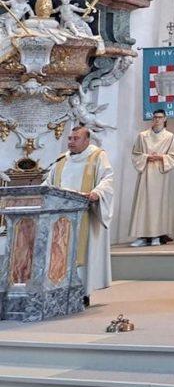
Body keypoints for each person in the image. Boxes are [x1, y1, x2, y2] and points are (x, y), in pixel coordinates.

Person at [45, 126, 114, 304]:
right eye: (69, 138)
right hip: (60, 217)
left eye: (76, 139)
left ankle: (82, 293)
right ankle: (59, 290)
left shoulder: (97, 156)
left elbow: (107, 179)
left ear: (86, 141)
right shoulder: (61, 160)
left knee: (81, 252)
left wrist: (97, 193)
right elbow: (48, 183)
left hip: (85, 214)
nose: (71, 142)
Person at [128, 109, 174, 247]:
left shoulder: (169, 136)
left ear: (165, 119)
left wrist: (161, 157)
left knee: (157, 204)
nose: (157, 120)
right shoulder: (143, 136)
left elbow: (173, 155)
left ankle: (156, 235)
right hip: (146, 171)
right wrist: (146, 157)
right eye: (155, 117)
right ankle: (141, 236)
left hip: (160, 173)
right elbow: (136, 153)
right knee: (142, 203)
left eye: (160, 117)